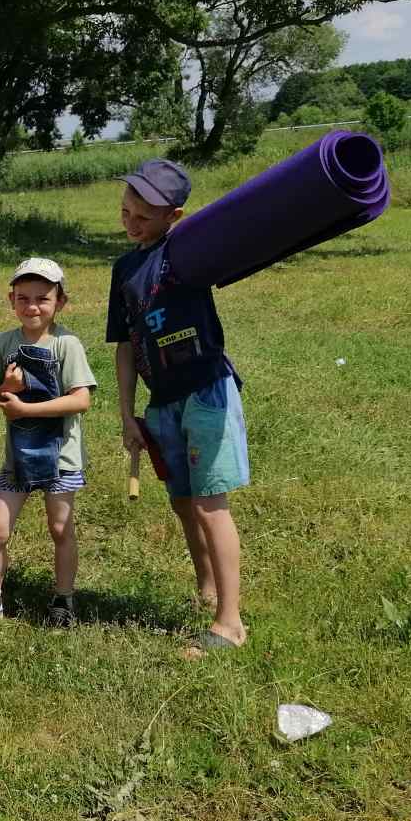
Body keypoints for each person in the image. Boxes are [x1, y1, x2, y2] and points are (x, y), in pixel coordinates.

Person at [109, 159, 250, 657]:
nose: (130, 223)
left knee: (211, 504)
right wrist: (127, 412)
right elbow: (125, 344)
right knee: (183, 501)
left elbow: (231, 236)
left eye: (143, 216)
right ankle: (207, 588)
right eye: (126, 211)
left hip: (205, 390)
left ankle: (230, 622)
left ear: (174, 215)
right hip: (162, 401)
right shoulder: (124, 268)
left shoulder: (187, 249)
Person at [0, 257, 96, 628]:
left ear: (61, 302)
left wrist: (25, 409)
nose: (32, 306)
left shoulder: (67, 344)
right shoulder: (5, 343)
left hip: (61, 457)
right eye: (23, 298)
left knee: (60, 527)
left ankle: (63, 599)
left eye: (42, 298)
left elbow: (81, 400)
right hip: (19, 458)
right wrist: (6, 390)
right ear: (12, 301)